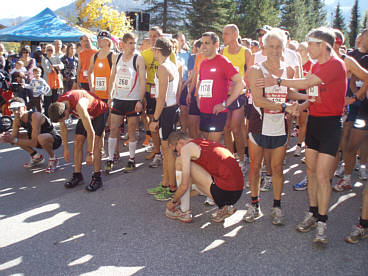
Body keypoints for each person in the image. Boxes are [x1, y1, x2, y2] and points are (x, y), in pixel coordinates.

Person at [259, 27, 347, 244]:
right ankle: (313, 212)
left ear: (323, 45)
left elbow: (306, 84)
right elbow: (313, 94)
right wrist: (302, 106)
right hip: (315, 123)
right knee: (311, 171)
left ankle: (322, 223)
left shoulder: (336, 64)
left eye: (311, 44)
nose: (308, 48)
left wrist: (278, 81)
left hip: (330, 126)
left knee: (322, 175)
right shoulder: (317, 65)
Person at [244, 28, 305, 226]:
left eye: (279, 46)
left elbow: (290, 92)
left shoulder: (288, 70)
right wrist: (286, 106)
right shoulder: (255, 70)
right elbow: (260, 101)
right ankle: (254, 205)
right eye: (271, 46)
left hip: (280, 125)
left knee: (277, 168)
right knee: (255, 167)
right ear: (264, 47)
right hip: (259, 124)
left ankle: (277, 207)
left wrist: (306, 98)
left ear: (284, 47)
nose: (275, 50)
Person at [165, 132, 244, 223]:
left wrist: (173, 202)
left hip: (224, 193)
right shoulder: (202, 143)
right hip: (236, 194)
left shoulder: (187, 149)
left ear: (180, 142)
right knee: (190, 175)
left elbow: (184, 185)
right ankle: (225, 208)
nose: (178, 153)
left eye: (176, 150)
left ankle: (184, 212)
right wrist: (179, 198)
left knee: (179, 162)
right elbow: (200, 187)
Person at [48, 90, 108, 191]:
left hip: (99, 112)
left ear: (66, 111)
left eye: (63, 119)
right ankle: (77, 175)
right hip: (86, 114)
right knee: (77, 142)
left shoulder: (79, 105)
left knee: (96, 142)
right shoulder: (59, 104)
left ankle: (97, 177)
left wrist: (90, 153)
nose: (63, 121)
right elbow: (63, 129)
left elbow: (91, 132)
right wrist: (66, 149)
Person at [105, 32, 146, 173]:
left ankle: (131, 158)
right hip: (118, 99)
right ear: (123, 44)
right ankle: (110, 158)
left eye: (135, 43)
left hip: (132, 100)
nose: (133, 46)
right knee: (113, 128)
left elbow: (143, 81)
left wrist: (140, 100)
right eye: (131, 43)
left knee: (131, 131)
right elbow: (112, 77)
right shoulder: (116, 57)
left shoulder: (138, 59)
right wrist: (110, 96)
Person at [147, 37, 180, 201]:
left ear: (158, 50)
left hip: (166, 110)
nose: (152, 51)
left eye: (153, 49)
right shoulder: (172, 65)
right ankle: (166, 183)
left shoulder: (163, 67)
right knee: (167, 151)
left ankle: (171, 187)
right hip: (171, 109)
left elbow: (161, 98)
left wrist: (155, 118)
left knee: (168, 152)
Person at [196, 32, 243, 143]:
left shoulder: (223, 61)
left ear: (216, 45)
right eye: (202, 43)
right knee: (207, 143)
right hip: (203, 110)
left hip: (217, 112)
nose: (203, 46)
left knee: (212, 147)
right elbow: (201, 82)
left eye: (207, 43)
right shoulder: (203, 63)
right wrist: (198, 99)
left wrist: (225, 104)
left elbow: (240, 83)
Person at [141, 26, 177, 167]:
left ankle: (168, 167)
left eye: (155, 36)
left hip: (164, 97)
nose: (152, 38)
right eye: (150, 36)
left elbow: (174, 75)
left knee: (161, 129)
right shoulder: (145, 54)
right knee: (154, 125)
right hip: (151, 91)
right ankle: (157, 152)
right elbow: (141, 75)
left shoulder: (168, 56)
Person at [221, 24, 252, 175]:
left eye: (225, 34)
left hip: (239, 94)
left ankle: (242, 159)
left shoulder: (246, 52)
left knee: (236, 128)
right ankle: (230, 158)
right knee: (226, 128)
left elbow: (250, 73)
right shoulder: (223, 51)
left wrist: (242, 85)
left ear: (234, 34)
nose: (223, 36)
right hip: (224, 94)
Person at [0, 97, 61, 173]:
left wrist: (13, 139)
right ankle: (36, 156)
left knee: (40, 137)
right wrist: (5, 138)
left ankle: (53, 158)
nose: (15, 112)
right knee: (17, 136)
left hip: (54, 140)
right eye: (13, 109)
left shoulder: (35, 116)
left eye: (18, 108)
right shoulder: (16, 120)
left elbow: (34, 142)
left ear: (24, 107)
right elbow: (13, 140)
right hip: (37, 138)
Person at [41, 44, 64, 117]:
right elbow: (48, 70)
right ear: (46, 51)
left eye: (51, 50)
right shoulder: (44, 59)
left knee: (56, 99)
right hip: (48, 82)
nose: (50, 51)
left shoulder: (56, 57)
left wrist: (54, 66)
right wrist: (56, 67)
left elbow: (62, 66)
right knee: (47, 100)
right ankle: (47, 116)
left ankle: (56, 115)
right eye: (48, 50)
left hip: (56, 82)